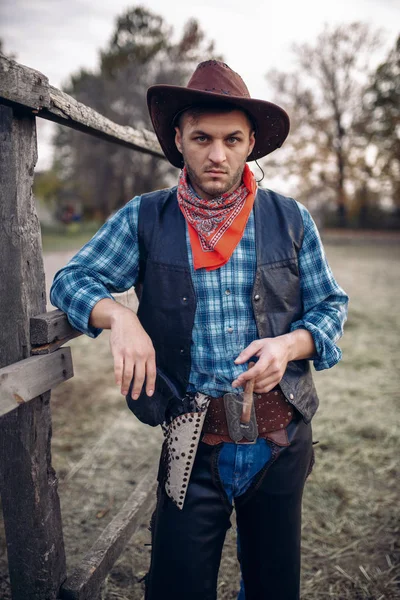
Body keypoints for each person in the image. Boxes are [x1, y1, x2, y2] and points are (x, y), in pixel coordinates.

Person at [50, 60, 348, 600]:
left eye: (233, 139)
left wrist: (289, 344)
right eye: (202, 138)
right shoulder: (146, 217)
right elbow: (72, 280)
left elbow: (330, 307)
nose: (218, 154)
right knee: (176, 586)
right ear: (179, 141)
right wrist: (120, 315)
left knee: (274, 588)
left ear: (251, 142)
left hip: (280, 439)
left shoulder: (291, 218)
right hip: (193, 441)